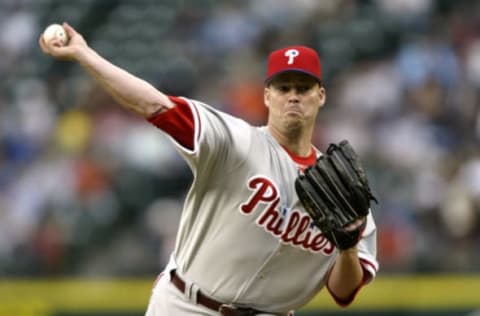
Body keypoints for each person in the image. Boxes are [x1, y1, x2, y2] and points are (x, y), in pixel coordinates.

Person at [39, 22, 378, 316]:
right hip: (186, 305)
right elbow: (155, 104)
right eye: (283, 88)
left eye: (303, 89)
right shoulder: (236, 141)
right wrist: (85, 55)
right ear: (266, 96)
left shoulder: (347, 196)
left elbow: (344, 292)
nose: (293, 96)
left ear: (320, 95)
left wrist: (347, 247)